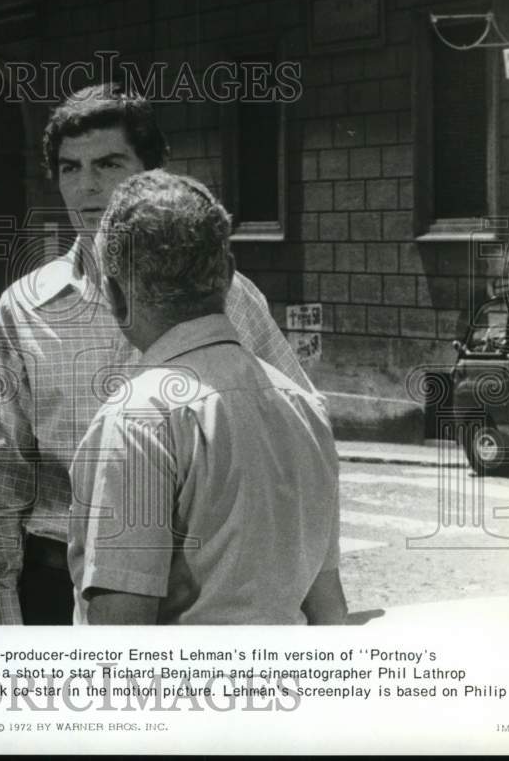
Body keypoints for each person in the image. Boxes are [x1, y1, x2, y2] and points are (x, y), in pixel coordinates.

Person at [0, 84, 330, 625]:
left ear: (151, 174)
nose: (86, 187)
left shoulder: (226, 295)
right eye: (70, 168)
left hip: (197, 582)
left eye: (108, 164)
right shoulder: (26, 307)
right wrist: (4, 617)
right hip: (59, 574)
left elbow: (295, 430)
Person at [68, 169, 345, 624]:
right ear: (230, 278)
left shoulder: (140, 417)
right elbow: (328, 608)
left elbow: (119, 632)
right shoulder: (306, 407)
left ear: (116, 295)